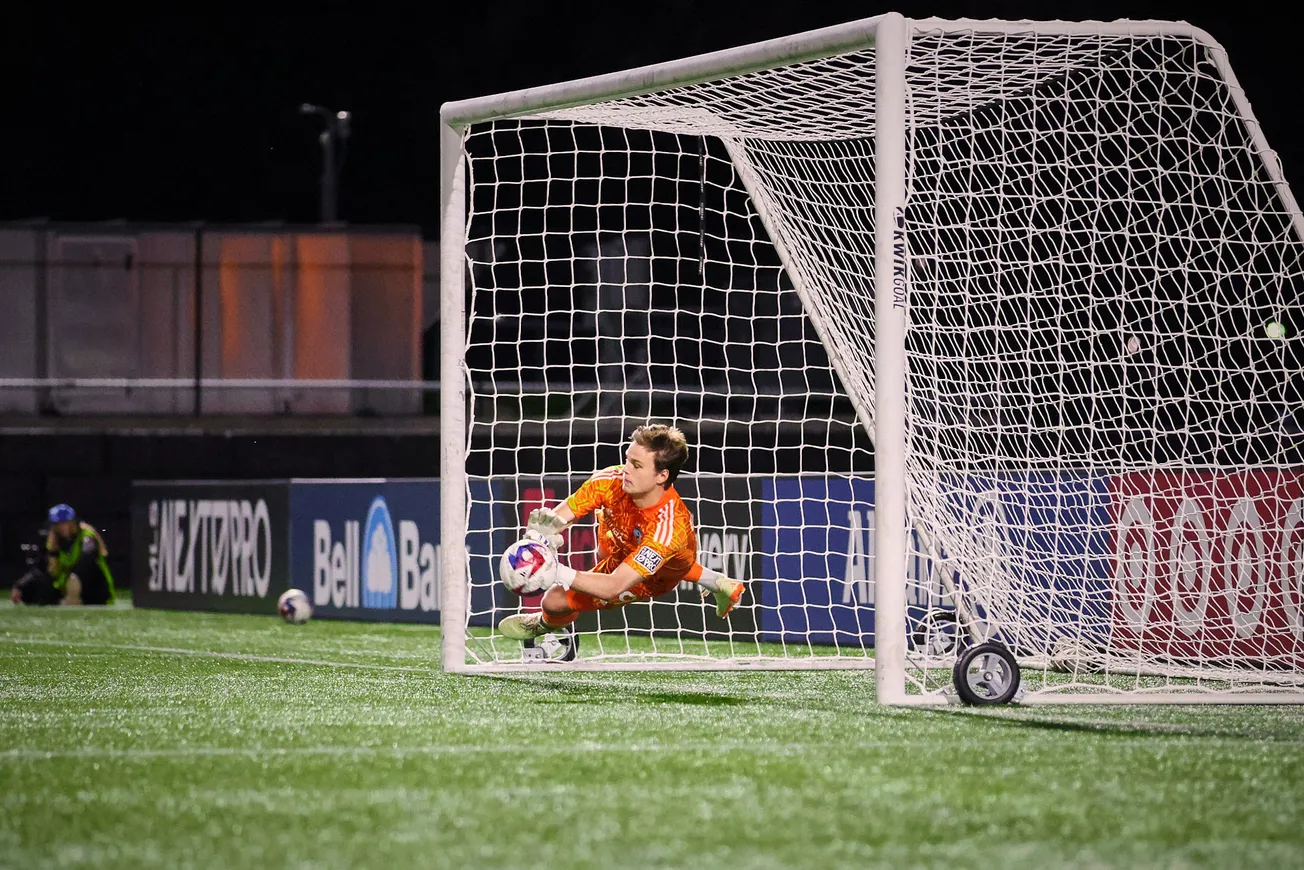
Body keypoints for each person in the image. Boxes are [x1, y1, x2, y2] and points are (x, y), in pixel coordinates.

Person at [497, 424, 745, 642]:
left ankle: (543, 625)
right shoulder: (610, 481)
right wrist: (538, 538)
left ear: (662, 475)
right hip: (623, 538)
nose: (625, 469)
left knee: (554, 602)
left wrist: (555, 571)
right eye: (627, 459)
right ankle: (718, 582)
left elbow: (613, 587)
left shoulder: (668, 529)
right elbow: (560, 517)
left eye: (636, 465)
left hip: (657, 575)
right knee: (603, 550)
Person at [10, 504, 116, 606]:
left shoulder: (86, 537)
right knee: (30, 590)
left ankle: (73, 600)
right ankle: (63, 600)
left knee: (81, 573)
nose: (62, 527)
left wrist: (73, 581)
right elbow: (41, 568)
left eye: (65, 522)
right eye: (58, 524)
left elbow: (87, 559)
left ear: (73, 522)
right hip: (66, 589)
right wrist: (20, 585)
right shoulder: (53, 542)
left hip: (93, 590)